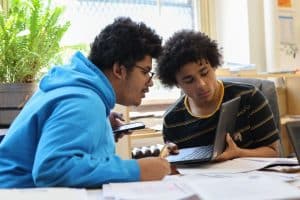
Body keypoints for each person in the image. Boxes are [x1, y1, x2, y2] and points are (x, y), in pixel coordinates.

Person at [0, 17, 171, 188]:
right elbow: (52, 170)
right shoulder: (84, 101)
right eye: (146, 72)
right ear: (119, 70)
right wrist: (137, 170)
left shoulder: (77, 88)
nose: (150, 82)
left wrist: (101, 125)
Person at [156, 30, 280, 161]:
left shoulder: (249, 98)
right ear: (177, 83)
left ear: (213, 66)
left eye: (204, 73)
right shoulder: (172, 120)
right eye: (189, 80)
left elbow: (273, 152)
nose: (202, 84)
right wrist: (167, 159)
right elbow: (178, 169)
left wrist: (239, 153)